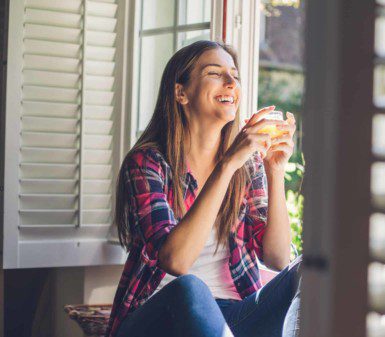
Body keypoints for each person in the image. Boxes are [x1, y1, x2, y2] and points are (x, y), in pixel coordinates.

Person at [105, 40, 302, 337]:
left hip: (232, 315)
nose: (230, 82)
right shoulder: (148, 163)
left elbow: (276, 257)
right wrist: (227, 165)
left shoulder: (247, 167)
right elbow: (176, 261)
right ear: (180, 92)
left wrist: (274, 170)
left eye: (234, 75)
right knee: (190, 286)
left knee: (305, 269)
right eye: (214, 73)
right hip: (158, 317)